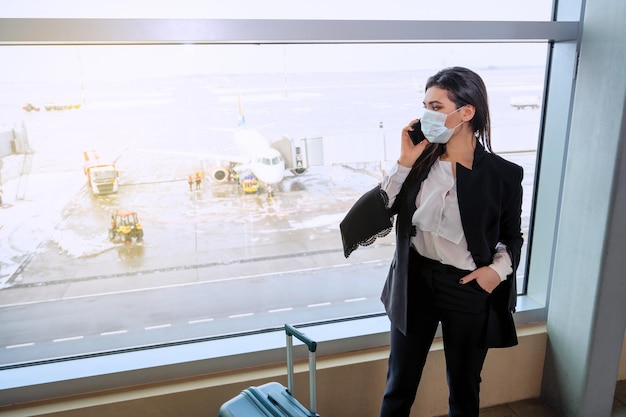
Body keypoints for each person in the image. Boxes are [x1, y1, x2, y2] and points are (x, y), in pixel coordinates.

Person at [339, 66, 523, 417]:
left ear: (466, 112)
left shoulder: (504, 175)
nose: (426, 115)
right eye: (424, 105)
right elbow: (370, 217)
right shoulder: (418, 163)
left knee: (464, 388)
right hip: (415, 283)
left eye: (436, 106)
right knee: (399, 386)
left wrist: (495, 273)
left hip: (468, 287)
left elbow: (511, 236)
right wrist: (403, 162)